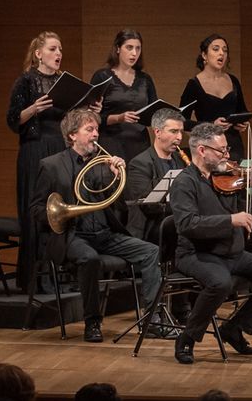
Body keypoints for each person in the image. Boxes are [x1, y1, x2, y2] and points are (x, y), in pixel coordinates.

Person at [33, 109, 162, 343]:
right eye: (89, 130)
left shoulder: (104, 164)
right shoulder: (51, 165)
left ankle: (152, 319)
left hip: (105, 234)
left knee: (151, 251)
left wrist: (117, 178)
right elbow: (36, 209)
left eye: (97, 130)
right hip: (73, 235)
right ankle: (92, 322)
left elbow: (122, 206)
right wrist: (57, 215)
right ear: (72, 135)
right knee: (89, 258)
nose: (96, 135)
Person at [170, 124, 252, 365]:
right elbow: (187, 224)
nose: (228, 156)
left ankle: (234, 329)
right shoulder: (184, 183)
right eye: (221, 150)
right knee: (220, 283)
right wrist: (229, 220)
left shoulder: (228, 179)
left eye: (227, 149)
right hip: (197, 253)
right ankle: (187, 337)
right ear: (201, 150)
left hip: (230, 252)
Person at [7, 30, 86, 291]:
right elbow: (12, 120)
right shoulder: (26, 81)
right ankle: (35, 279)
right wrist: (33, 109)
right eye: (53, 49)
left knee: (63, 208)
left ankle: (61, 275)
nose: (58, 54)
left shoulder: (65, 82)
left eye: (60, 49)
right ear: (38, 54)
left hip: (60, 149)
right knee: (38, 209)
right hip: (35, 150)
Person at [180, 33, 252, 162]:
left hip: (233, 145)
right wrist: (211, 125)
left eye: (225, 50)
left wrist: (242, 123)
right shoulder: (194, 84)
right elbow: (182, 121)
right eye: (216, 49)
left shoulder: (233, 80)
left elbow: (242, 110)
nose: (221, 54)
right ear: (204, 55)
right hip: (208, 145)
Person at [124, 108, 188, 248]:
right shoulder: (140, 163)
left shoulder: (181, 160)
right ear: (157, 132)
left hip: (175, 220)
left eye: (180, 131)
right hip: (152, 226)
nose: (179, 137)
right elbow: (148, 206)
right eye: (173, 131)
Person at [95, 28, 158, 161]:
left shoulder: (145, 79)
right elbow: (93, 117)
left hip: (140, 142)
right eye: (129, 47)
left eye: (138, 48)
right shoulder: (102, 76)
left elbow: (155, 111)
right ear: (118, 48)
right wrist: (119, 118)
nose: (134, 53)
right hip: (111, 142)